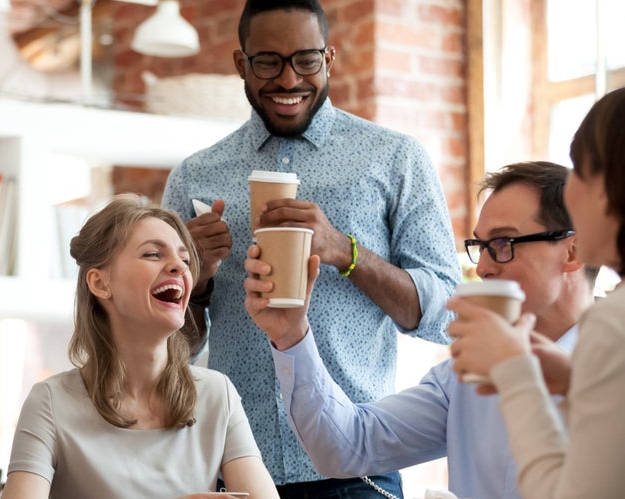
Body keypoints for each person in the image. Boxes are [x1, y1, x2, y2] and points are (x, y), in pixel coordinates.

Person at [161, 0, 461, 496]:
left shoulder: (394, 159)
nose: (288, 79)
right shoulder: (195, 177)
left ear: (330, 57)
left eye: (306, 60)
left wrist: (345, 252)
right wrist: (199, 281)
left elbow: (446, 314)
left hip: (357, 470)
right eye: (268, 62)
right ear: (240, 64)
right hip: (236, 467)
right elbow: (169, 349)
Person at [244, 161, 594, 499]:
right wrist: (290, 333)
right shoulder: (462, 378)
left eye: (503, 244)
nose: (484, 267)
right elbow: (346, 445)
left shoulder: (610, 374)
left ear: (573, 250)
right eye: (480, 247)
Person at [2, 194, 279, 499]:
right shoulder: (50, 404)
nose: (178, 267)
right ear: (99, 283)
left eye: (185, 260)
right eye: (152, 254)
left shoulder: (217, 395)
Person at [449, 89, 625, 498]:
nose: (570, 194)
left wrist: (515, 372)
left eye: (580, 171)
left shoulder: (612, 324)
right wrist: (575, 381)